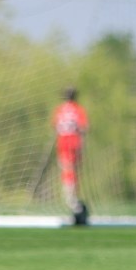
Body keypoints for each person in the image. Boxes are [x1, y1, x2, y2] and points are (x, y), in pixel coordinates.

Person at [52, 86, 88, 222]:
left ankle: (71, 199)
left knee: (67, 170)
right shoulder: (78, 109)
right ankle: (73, 200)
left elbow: (55, 126)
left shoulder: (60, 109)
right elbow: (84, 127)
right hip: (74, 142)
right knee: (73, 170)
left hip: (63, 143)